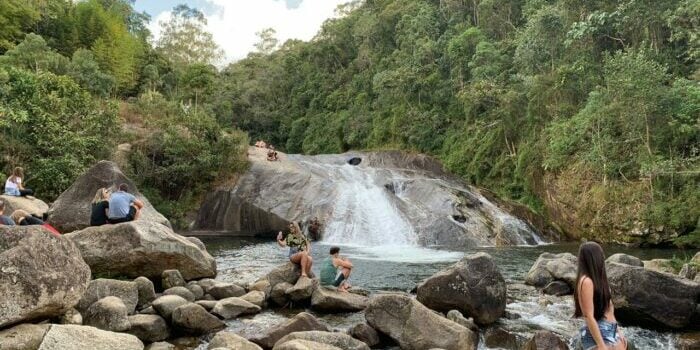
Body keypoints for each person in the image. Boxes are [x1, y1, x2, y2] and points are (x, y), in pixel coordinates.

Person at [574, 242, 627, 350]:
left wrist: (618, 332)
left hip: (610, 330)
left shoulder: (600, 280)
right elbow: (588, 316)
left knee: (624, 344)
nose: (603, 257)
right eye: (601, 254)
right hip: (598, 332)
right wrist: (601, 345)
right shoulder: (586, 281)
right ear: (594, 258)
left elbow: (610, 310)